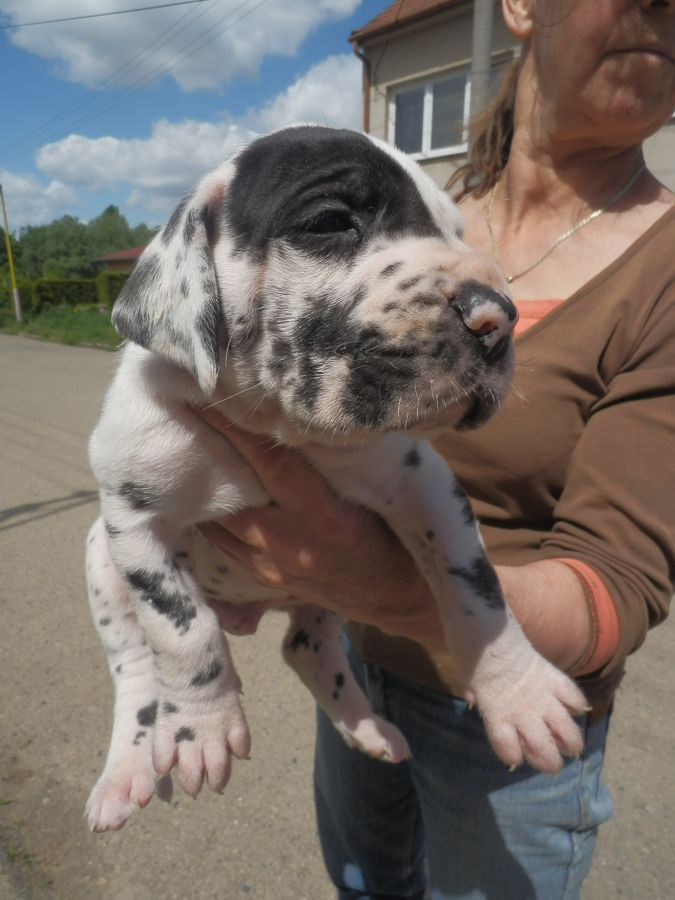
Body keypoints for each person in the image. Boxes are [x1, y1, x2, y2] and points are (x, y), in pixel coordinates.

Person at [198, 1, 675, 896]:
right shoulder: (416, 210)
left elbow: (618, 588)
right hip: (358, 663)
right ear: (521, 7)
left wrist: (377, 583)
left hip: (511, 718)